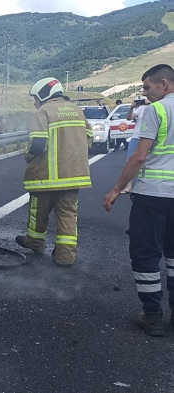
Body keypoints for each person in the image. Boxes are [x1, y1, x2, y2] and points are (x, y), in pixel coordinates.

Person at [104, 64, 174, 337]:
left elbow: (140, 156)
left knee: (146, 255)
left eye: (147, 87)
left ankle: (152, 316)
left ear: (164, 84)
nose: (145, 93)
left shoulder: (155, 111)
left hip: (153, 195)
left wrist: (116, 189)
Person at [15, 77, 93, 266]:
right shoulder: (77, 111)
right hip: (74, 175)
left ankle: (35, 242)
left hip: (46, 177)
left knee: (38, 212)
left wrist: (27, 155)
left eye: (35, 97)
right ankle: (66, 256)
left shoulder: (43, 112)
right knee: (68, 214)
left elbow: (37, 145)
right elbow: (89, 138)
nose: (34, 102)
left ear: (43, 94)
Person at [120, 97, 148, 193]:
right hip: (141, 137)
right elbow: (130, 118)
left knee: (137, 162)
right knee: (135, 162)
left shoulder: (148, 108)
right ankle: (132, 186)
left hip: (142, 137)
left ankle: (134, 186)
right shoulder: (145, 108)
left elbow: (129, 118)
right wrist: (132, 108)